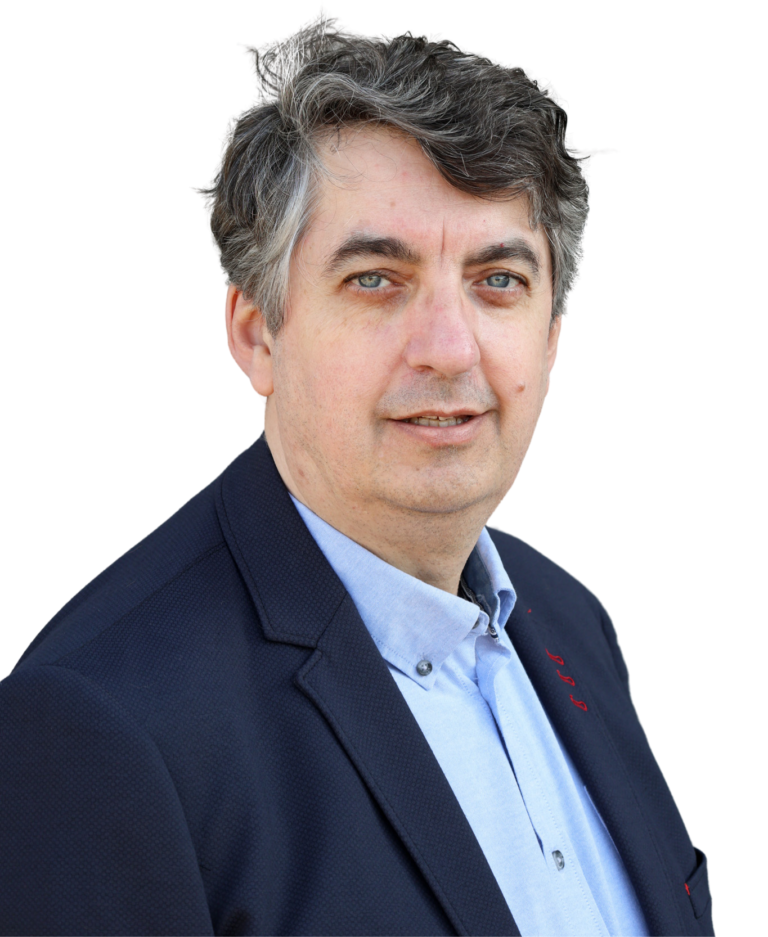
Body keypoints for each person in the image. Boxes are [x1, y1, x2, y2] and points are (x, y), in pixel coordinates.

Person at [0, 21, 713, 937]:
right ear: (259, 333)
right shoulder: (99, 729)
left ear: (551, 336)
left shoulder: (571, 621)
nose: (451, 349)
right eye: (377, 280)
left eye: (499, 281)